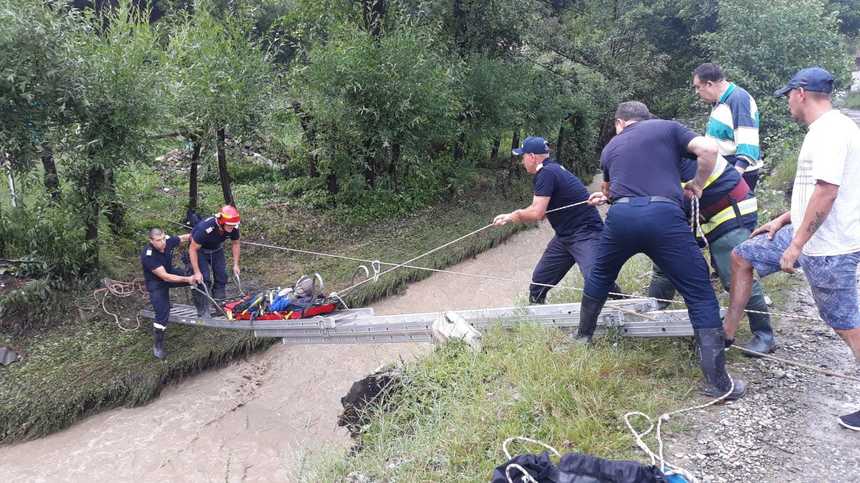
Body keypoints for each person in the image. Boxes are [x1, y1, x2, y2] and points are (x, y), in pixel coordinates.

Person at [580, 101, 746, 400]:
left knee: (600, 276)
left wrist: (606, 199)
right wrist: (697, 183)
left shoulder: (611, 147)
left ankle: (582, 338)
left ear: (620, 123)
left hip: (622, 217)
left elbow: (610, 191)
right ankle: (718, 383)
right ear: (647, 119)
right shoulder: (668, 128)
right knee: (698, 291)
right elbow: (708, 150)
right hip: (665, 217)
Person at [722, 67, 860, 429]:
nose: (787, 104)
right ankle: (728, 334)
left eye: (788, 97)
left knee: (845, 323)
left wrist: (795, 245)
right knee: (742, 255)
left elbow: (828, 192)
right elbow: (817, 189)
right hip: (805, 234)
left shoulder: (830, 132)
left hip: (828, 247)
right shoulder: (827, 129)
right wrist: (783, 221)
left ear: (801, 93)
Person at [647, 152, 776, 356]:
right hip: (697, 214)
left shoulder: (686, 155)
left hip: (730, 208)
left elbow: (679, 197)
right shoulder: (650, 159)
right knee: (664, 265)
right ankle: (651, 319)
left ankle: (764, 335)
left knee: (733, 274)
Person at [492, 136, 620, 304]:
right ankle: (535, 312)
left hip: (585, 233)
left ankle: (625, 303)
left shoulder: (546, 173)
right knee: (539, 281)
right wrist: (514, 215)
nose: (522, 161)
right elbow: (542, 211)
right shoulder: (551, 169)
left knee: (595, 278)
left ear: (532, 156)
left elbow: (537, 213)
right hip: (565, 235)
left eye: (523, 156)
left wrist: (511, 216)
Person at [692, 63, 763, 191]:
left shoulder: (739, 99)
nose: (696, 92)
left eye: (698, 87)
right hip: (725, 170)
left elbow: (748, 141)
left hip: (739, 172)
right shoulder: (720, 101)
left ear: (709, 84)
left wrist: (734, 180)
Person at [140, 228, 194, 359]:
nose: (163, 242)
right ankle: (158, 345)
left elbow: (183, 238)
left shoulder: (167, 242)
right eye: (158, 240)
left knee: (196, 278)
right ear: (151, 241)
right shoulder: (148, 255)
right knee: (162, 314)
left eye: (164, 238)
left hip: (170, 273)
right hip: (157, 283)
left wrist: (198, 235)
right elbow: (165, 277)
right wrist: (187, 279)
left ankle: (202, 307)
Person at [189, 205, 242, 317]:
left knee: (222, 276)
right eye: (229, 225)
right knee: (204, 279)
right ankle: (203, 310)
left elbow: (236, 243)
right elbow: (192, 249)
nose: (232, 228)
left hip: (216, 249)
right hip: (200, 250)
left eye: (233, 226)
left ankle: (219, 305)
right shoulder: (205, 228)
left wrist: (236, 264)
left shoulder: (233, 227)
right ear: (222, 222)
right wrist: (197, 271)